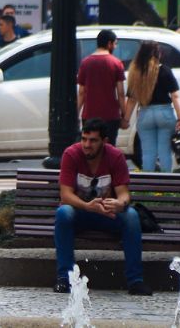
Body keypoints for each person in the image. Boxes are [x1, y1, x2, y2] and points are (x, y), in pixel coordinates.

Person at [53, 119, 151, 296]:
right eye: (84, 139)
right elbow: (65, 195)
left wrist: (120, 204)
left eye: (93, 140)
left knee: (131, 216)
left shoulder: (115, 156)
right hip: (81, 213)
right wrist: (87, 206)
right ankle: (65, 279)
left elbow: (123, 193)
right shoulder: (71, 154)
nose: (87, 145)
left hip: (107, 214)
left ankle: (135, 281)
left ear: (104, 141)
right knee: (63, 212)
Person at [123, 41, 180, 173]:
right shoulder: (165, 71)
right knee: (165, 152)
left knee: (147, 153)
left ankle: (148, 184)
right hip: (165, 113)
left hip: (145, 114)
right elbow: (175, 96)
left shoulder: (136, 73)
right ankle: (167, 185)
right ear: (158, 54)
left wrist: (126, 119)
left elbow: (131, 100)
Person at [76, 29, 126, 145]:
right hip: (111, 115)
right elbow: (121, 93)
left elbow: (81, 92)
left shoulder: (85, 63)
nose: (115, 47)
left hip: (89, 115)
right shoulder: (116, 63)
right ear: (109, 44)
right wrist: (124, 114)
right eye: (115, 43)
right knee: (109, 149)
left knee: (91, 148)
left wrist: (76, 113)